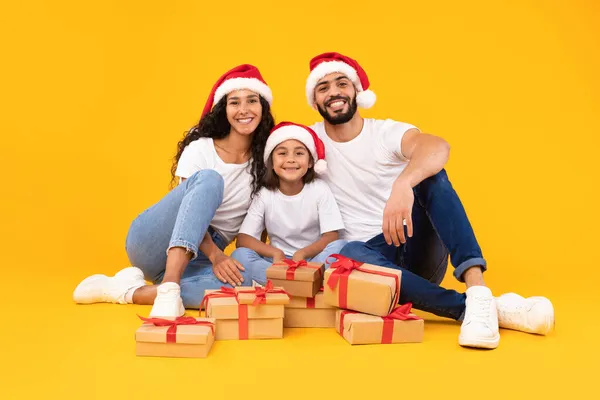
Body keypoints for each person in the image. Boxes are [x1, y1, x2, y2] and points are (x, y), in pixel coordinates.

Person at [303, 52, 554, 349]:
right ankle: (477, 307)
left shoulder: (385, 132)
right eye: (323, 88)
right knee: (350, 252)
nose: (333, 92)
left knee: (431, 177)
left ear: (357, 91)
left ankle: (476, 285)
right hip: (368, 270)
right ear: (315, 101)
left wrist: (403, 183)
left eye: (341, 83)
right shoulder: (307, 141)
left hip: (412, 247)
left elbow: (437, 147)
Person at [73, 64, 276, 318]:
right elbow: (189, 211)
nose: (244, 110)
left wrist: (256, 262)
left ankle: (125, 291)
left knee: (246, 285)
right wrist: (216, 256)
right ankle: (169, 286)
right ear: (224, 110)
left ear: (262, 107)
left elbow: (266, 218)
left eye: (252, 101)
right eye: (234, 102)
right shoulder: (201, 148)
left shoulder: (268, 161)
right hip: (155, 239)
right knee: (210, 180)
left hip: (200, 257)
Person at [231, 122, 346, 283]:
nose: (291, 159)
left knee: (341, 247)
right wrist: (276, 253)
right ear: (271, 161)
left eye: (299, 153)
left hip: (311, 261)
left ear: (311, 162)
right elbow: (243, 239)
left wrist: (303, 254)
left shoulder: (319, 189)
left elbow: (332, 236)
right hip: (277, 263)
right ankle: (300, 284)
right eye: (282, 153)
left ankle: (285, 282)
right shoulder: (265, 194)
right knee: (240, 255)